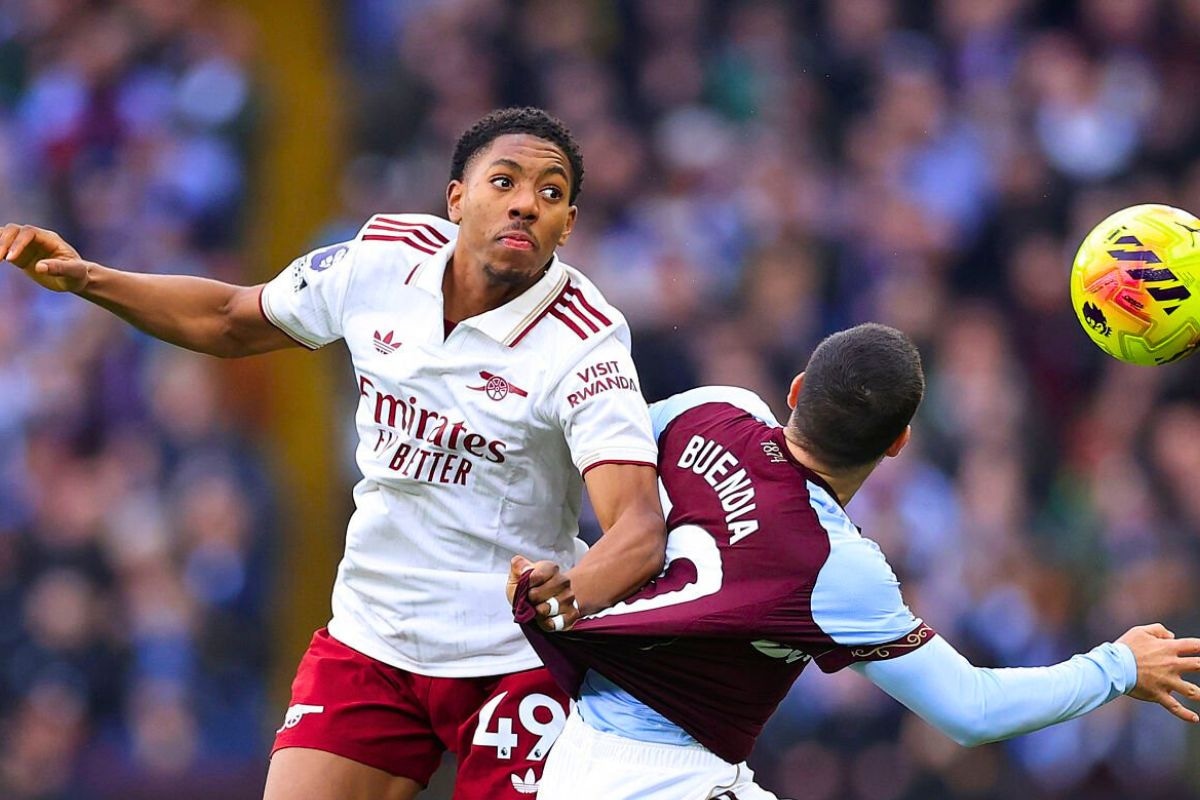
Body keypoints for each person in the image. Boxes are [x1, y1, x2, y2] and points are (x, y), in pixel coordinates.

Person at [3, 107, 666, 800]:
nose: (527, 204)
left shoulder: (587, 342)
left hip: (513, 658)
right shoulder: (380, 261)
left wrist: (570, 598)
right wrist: (86, 280)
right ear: (457, 198)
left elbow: (638, 531)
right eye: (505, 182)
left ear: (569, 226)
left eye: (552, 194)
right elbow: (232, 318)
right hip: (372, 638)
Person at [509, 322, 1200, 800]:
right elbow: (971, 710)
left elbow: (585, 466)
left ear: (799, 390)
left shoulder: (710, 410)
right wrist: (1118, 668)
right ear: (898, 443)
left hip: (579, 752)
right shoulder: (835, 566)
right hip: (666, 778)